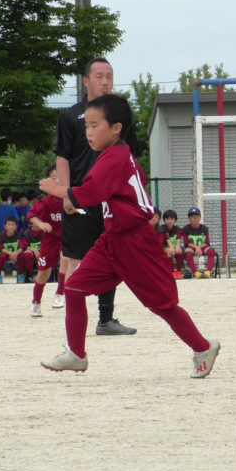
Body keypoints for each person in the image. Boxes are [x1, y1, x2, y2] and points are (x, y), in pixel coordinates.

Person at [38, 93, 219, 376]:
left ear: (116, 128)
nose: (88, 132)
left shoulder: (114, 157)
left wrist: (56, 189)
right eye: (86, 126)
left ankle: (203, 346)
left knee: (162, 305)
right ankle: (77, 354)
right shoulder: (117, 155)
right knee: (73, 288)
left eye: (94, 125)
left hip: (135, 241)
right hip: (113, 238)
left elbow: (90, 193)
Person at [54, 57, 135, 336]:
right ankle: (73, 322)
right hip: (80, 198)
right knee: (75, 259)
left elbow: (131, 158)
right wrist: (66, 194)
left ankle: (106, 319)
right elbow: (62, 157)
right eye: (99, 76)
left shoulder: (120, 115)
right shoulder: (70, 117)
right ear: (86, 81)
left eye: (109, 76)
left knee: (112, 256)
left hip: (111, 201)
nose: (105, 81)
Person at [27, 164, 67, 316]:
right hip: (50, 240)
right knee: (43, 272)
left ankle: (60, 293)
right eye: (53, 177)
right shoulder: (47, 201)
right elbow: (31, 215)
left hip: (67, 237)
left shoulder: (70, 197)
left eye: (60, 177)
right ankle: (36, 302)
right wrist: (40, 224)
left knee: (66, 258)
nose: (57, 180)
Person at [0, 216, 34, 285]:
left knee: (21, 255)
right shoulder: (1, 235)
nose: (11, 227)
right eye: (9, 225)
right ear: (5, 226)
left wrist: (15, 253)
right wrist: (10, 254)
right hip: (5, 253)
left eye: (13, 225)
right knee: (2, 256)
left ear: (16, 226)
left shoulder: (19, 235)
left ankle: (20, 274)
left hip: (16, 254)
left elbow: (21, 247)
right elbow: (1, 248)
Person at [181, 207, 216, 278]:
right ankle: (196, 273)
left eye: (197, 216)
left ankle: (208, 272)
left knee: (211, 250)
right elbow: (186, 243)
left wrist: (199, 248)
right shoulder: (185, 229)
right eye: (192, 217)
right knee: (188, 253)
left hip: (202, 247)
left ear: (200, 217)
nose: (195, 219)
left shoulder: (205, 228)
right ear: (189, 218)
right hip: (191, 247)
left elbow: (207, 242)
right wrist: (196, 248)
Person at [160, 209, 187, 279]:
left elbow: (178, 238)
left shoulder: (177, 229)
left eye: (172, 219)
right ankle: (171, 272)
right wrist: (170, 248)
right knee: (170, 252)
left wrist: (177, 247)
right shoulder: (161, 228)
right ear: (164, 220)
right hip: (165, 249)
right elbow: (165, 240)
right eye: (167, 219)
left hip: (174, 248)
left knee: (179, 251)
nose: (170, 221)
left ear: (175, 220)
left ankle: (178, 272)